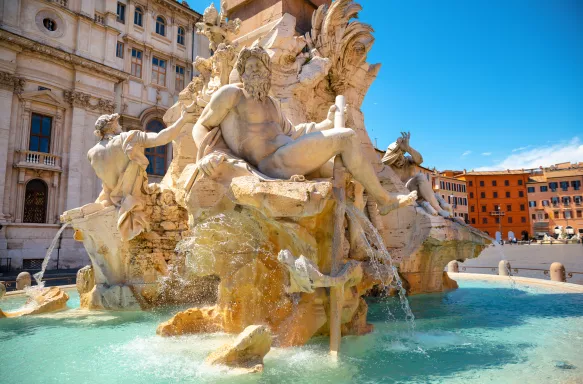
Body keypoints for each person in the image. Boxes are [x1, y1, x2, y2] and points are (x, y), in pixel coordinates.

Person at [189, 46, 416, 215]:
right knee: (346, 138)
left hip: (287, 153)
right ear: (242, 71)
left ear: (269, 72)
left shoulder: (272, 103)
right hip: (271, 163)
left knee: (350, 177)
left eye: (260, 66)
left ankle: (356, 240)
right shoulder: (231, 95)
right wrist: (208, 154)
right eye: (250, 67)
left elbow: (294, 132)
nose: (255, 71)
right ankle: (384, 200)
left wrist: (326, 124)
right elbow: (202, 125)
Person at [88, 109, 193, 240]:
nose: (120, 126)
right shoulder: (129, 138)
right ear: (113, 126)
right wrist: (183, 119)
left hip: (111, 202)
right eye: (118, 124)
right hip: (135, 202)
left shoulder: (92, 153)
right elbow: (162, 137)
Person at [382, 132, 452, 217]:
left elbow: (420, 160)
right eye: (395, 159)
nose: (398, 160)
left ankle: (438, 209)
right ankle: (433, 206)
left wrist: (408, 149)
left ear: (402, 154)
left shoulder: (408, 160)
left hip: (415, 190)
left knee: (421, 176)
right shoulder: (389, 167)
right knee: (420, 177)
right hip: (403, 194)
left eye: (400, 156)